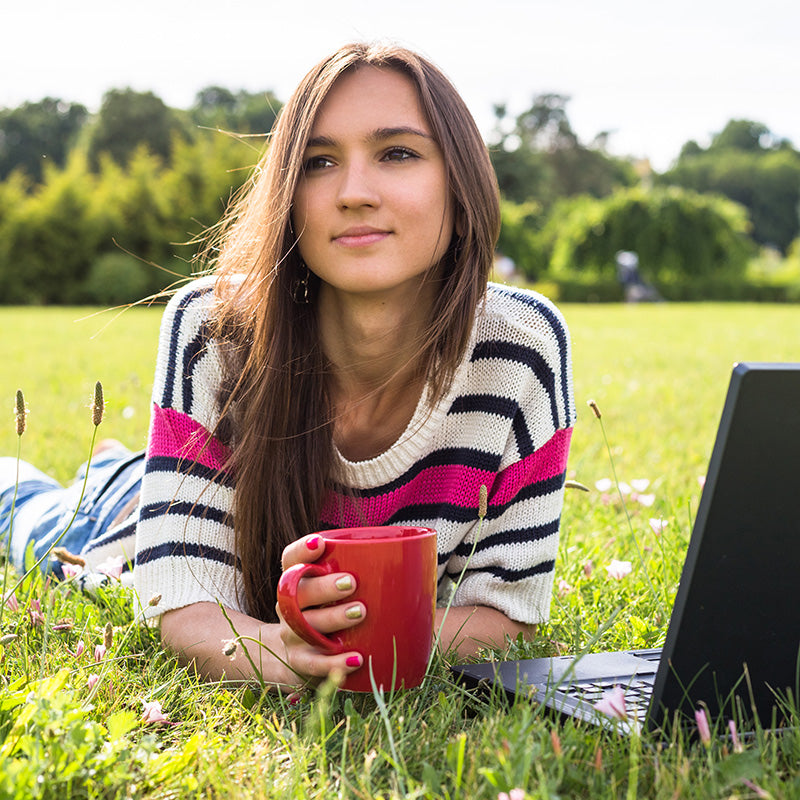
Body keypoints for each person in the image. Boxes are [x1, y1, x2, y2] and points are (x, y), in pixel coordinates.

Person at [1, 42, 575, 691]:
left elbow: (510, 609)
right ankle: (70, 477)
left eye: (397, 153)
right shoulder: (213, 329)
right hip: (131, 531)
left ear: (460, 180)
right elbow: (183, 600)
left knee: (136, 485)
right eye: (318, 161)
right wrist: (280, 651)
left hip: (196, 495)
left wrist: (348, 636)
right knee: (46, 527)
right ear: (288, 194)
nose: (355, 193)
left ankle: (124, 466)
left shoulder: (523, 346)